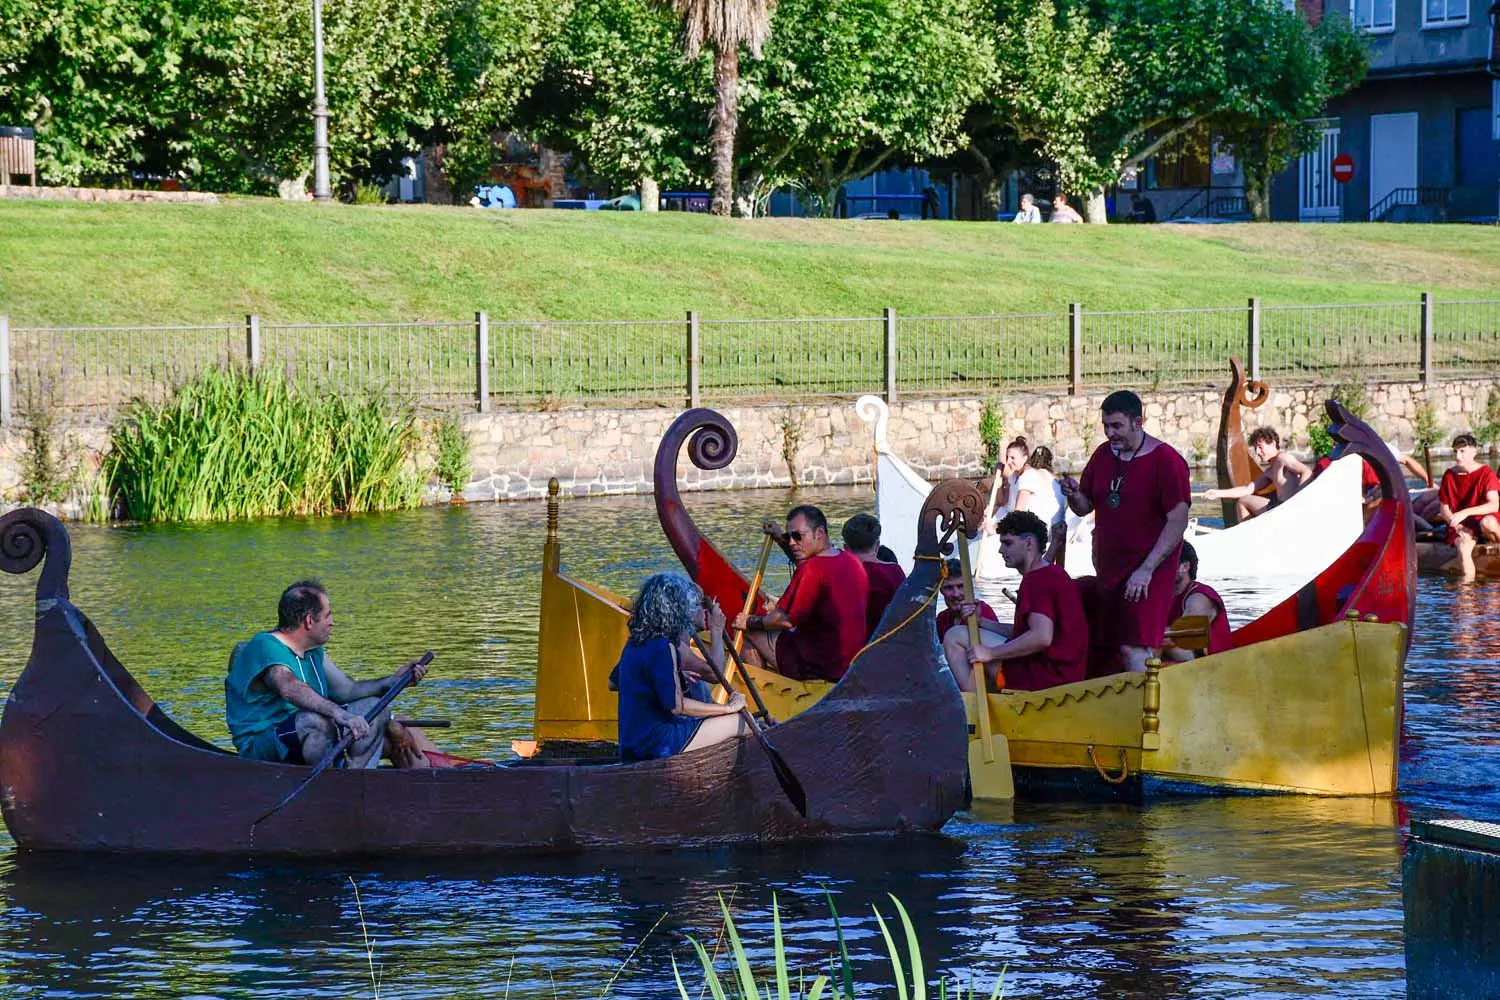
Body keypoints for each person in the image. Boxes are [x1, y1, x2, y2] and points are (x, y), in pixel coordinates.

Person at [225, 580, 433, 768]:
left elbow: (348, 690)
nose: (332, 622)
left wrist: (396, 681)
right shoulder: (264, 647)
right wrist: (341, 715)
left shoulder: (313, 651)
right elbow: (289, 688)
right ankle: (334, 785)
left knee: (376, 709)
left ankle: (356, 778)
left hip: (311, 740)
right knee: (313, 720)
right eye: (327, 615)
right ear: (308, 621)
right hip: (263, 747)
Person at [1060, 390, 1191, 675]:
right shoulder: (1103, 455)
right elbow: (1084, 506)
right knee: (1110, 646)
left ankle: (1147, 714)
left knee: (1134, 644)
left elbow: (1178, 521)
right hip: (1110, 572)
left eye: (1116, 426)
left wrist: (1146, 569)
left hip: (1148, 573)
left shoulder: (1166, 460)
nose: (1110, 433)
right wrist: (1072, 495)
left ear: (1137, 422)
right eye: (1106, 426)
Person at [949, 511, 1089, 692]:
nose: (1001, 550)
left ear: (1029, 543)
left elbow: (1041, 637)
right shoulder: (1049, 572)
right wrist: (981, 622)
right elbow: (1024, 632)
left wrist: (991, 653)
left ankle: (977, 713)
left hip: (1047, 678)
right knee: (967, 634)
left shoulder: (1037, 580)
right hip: (1063, 673)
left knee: (955, 636)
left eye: (1007, 543)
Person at [614, 573, 748, 761]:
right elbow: (677, 706)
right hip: (657, 744)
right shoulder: (664, 646)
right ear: (676, 610)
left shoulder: (635, 642)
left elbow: (614, 682)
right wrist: (728, 709)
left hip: (633, 743)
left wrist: (673, 675)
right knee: (739, 721)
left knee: (733, 721)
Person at [732, 505, 870, 682]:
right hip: (850, 662)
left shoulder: (811, 569)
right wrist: (779, 537)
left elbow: (784, 620)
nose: (791, 542)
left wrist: (748, 620)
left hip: (818, 666)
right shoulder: (850, 560)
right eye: (789, 537)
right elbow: (812, 569)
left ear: (819, 533)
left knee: (745, 629)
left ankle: (760, 692)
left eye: (798, 536)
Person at [1203, 427, 1312, 520]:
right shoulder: (1269, 471)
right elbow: (1247, 489)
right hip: (1279, 508)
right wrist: (1218, 493)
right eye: (1256, 449)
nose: (1258, 452)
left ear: (1273, 443)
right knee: (1242, 502)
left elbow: (1306, 472)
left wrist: (1298, 500)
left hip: (1290, 509)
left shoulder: (1283, 458)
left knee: (1242, 502)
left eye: (1260, 447)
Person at [1438, 432, 1500, 580]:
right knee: (1463, 547)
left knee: (1488, 522)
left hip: (1483, 521)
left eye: (1462, 451)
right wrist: (1458, 526)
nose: (1458, 456)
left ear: (1474, 452)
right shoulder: (1449, 475)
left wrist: (1465, 512)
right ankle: (1467, 597)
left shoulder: (1486, 473)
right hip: (1462, 525)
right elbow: (1444, 508)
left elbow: (1493, 505)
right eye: (1455, 451)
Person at [1161, 542, 1232, 661]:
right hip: (1182, 663)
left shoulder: (1200, 595)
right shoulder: (1162, 595)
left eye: (1165, 562)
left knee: (1159, 644)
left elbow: (1181, 635)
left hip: (1214, 665)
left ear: (1185, 567)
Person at [842, 513, 907, 637]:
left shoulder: (838, 576)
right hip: (888, 646)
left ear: (846, 548)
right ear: (877, 545)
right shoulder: (894, 572)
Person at [936, 558, 999, 640]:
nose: (956, 594)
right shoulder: (942, 618)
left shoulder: (982, 611)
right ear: (941, 590)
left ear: (970, 586)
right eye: (949, 588)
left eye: (961, 586)